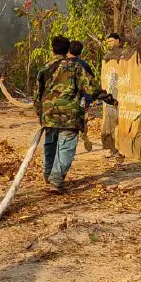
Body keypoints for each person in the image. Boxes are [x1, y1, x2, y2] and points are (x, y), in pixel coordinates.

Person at [36, 35, 107, 193]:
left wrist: (40, 113)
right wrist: (108, 98)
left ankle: (48, 174)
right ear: (67, 49)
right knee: (66, 147)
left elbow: (38, 93)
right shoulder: (75, 67)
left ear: (52, 48)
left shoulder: (45, 67)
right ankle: (56, 180)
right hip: (70, 115)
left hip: (49, 114)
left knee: (50, 144)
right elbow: (91, 88)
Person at [69, 40, 97, 151]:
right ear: (80, 51)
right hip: (82, 99)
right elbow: (91, 83)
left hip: (67, 100)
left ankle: (69, 147)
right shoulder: (84, 65)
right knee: (82, 120)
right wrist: (89, 100)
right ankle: (84, 135)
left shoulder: (62, 64)